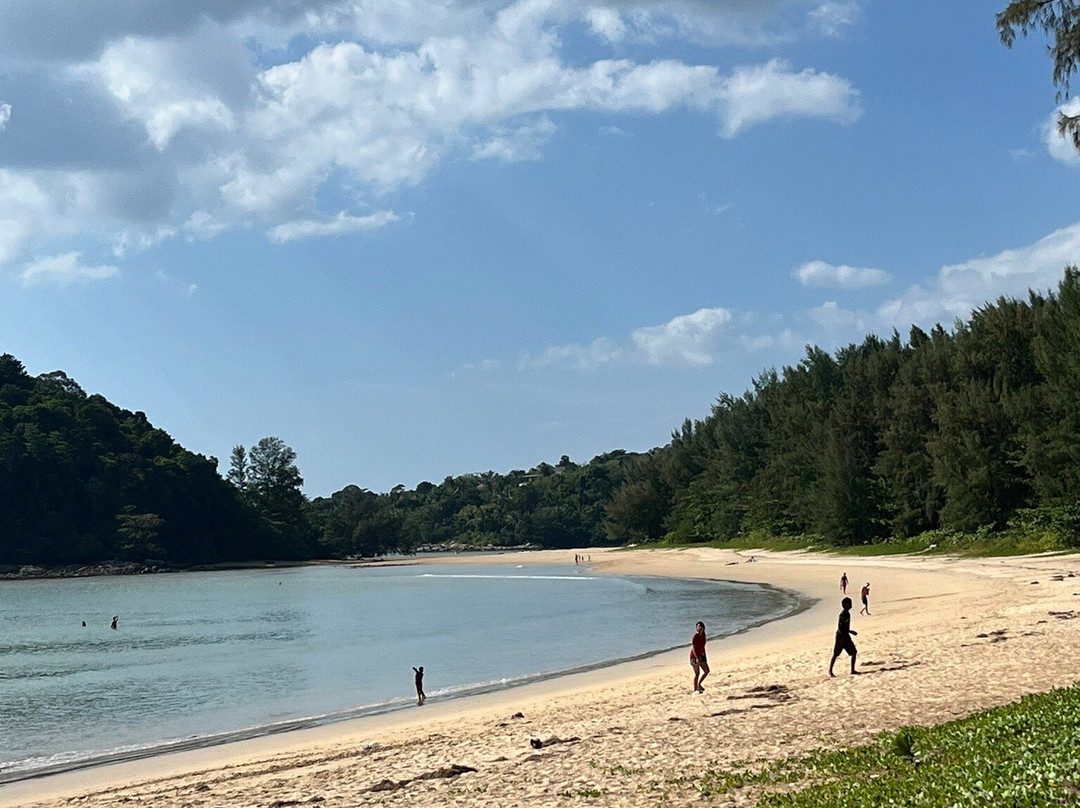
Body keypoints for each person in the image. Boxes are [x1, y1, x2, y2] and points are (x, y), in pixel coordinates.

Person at [829, 597, 859, 676]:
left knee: (854, 652)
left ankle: (852, 670)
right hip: (841, 637)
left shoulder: (847, 613)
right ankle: (830, 671)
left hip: (845, 636)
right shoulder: (843, 614)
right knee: (836, 654)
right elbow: (841, 627)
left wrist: (849, 632)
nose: (850, 605)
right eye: (849, 604)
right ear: (845, 605)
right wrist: (850, 631)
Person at [690, 621, 709, 693]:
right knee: (697, 673)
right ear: (696, 628)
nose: (700, 628)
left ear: (704, 628)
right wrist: (697, 658)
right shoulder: (695, 637)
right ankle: (695, 689)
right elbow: (694, 649)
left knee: (706, 671)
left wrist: (705, 656)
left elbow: (703, 646)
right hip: (694, 657)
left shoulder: (704, 635)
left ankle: (699, 684)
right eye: (698, 627)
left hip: (701, 655)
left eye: (701, 626)